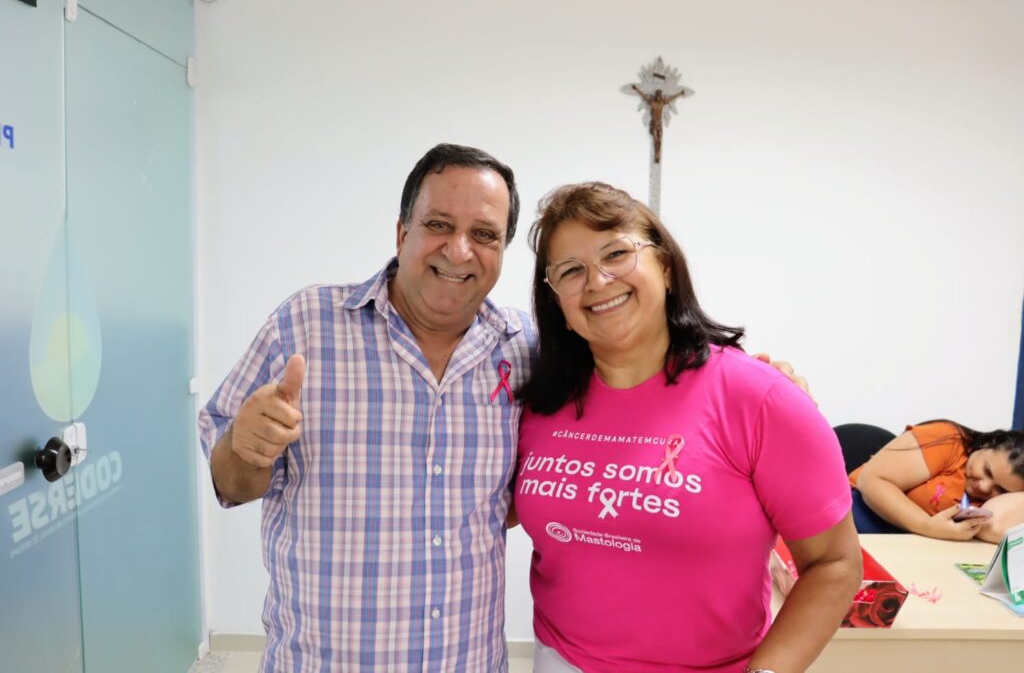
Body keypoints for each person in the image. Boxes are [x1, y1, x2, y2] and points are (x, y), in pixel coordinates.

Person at [198, 144, 813, 672]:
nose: (459, 250)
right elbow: (230, 482)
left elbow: (629, 372)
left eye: (485, 235)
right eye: (439, 224)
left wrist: (762, 386)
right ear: (401, 233)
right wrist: (247, 450)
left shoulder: (528, 351)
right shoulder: (305, 325)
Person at [514, 182, 862, 673]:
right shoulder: (539, 402)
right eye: (571, 270)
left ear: (665, 267)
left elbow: (835, 563)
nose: (597, 280)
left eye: (616, 253)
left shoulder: (760, 398)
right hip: (559, 661)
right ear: (557, 305)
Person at [849, 420, 1024, 542]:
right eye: (987, 470)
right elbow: (871, 480)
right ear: (987, 444)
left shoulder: (997, 501)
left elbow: (996, 529)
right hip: (856, 520)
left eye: (1001, 490)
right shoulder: (949, 440)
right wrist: (926, 526)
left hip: (909, 546)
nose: (984, 487)